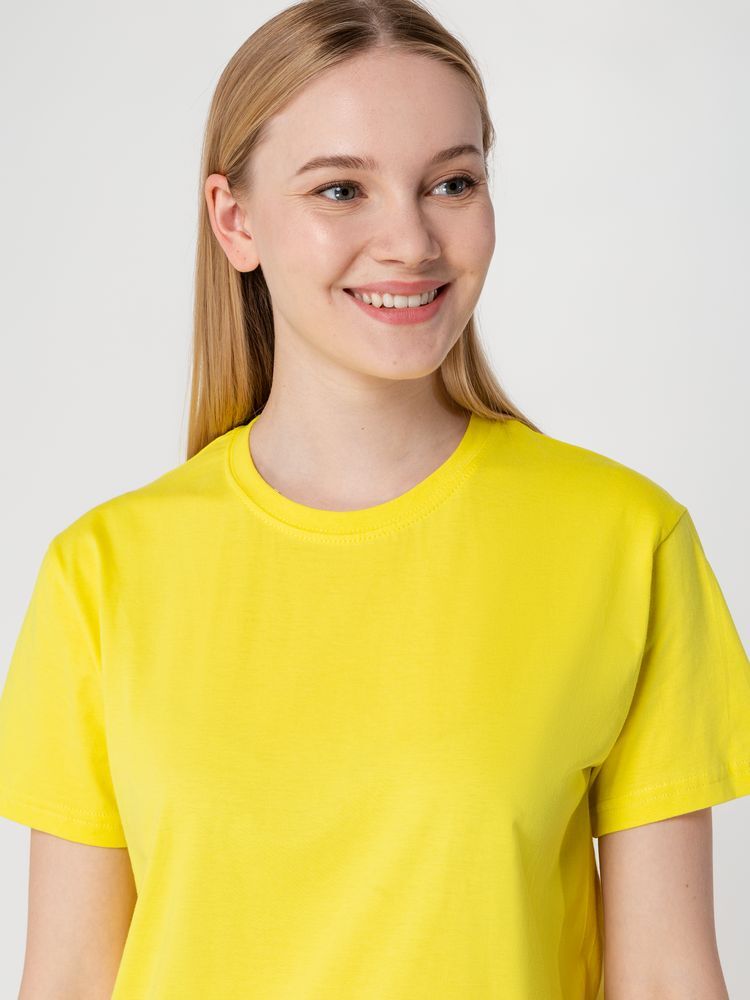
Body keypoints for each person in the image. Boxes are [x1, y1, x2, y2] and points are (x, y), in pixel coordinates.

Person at [1, 1, 748, 997]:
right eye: (342, 189)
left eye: (452, 182)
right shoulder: (102, 574)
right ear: (235, 220)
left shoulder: (627, 543)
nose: (410, 240)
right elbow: (69, 978)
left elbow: (663, 978)